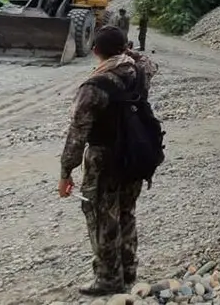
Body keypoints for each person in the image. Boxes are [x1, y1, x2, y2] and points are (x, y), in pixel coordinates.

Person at [58, 26, 158, 296]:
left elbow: (78, 132)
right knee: (126, 211)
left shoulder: (94, 86)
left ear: (94, 51)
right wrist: (126, 50)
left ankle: (108, 279)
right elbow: (148, 60)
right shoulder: (139, 71)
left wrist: (66, 171)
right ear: (125, 48)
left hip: (104, 157)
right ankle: (128, 270)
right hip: (135, 154)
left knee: (103, 217)